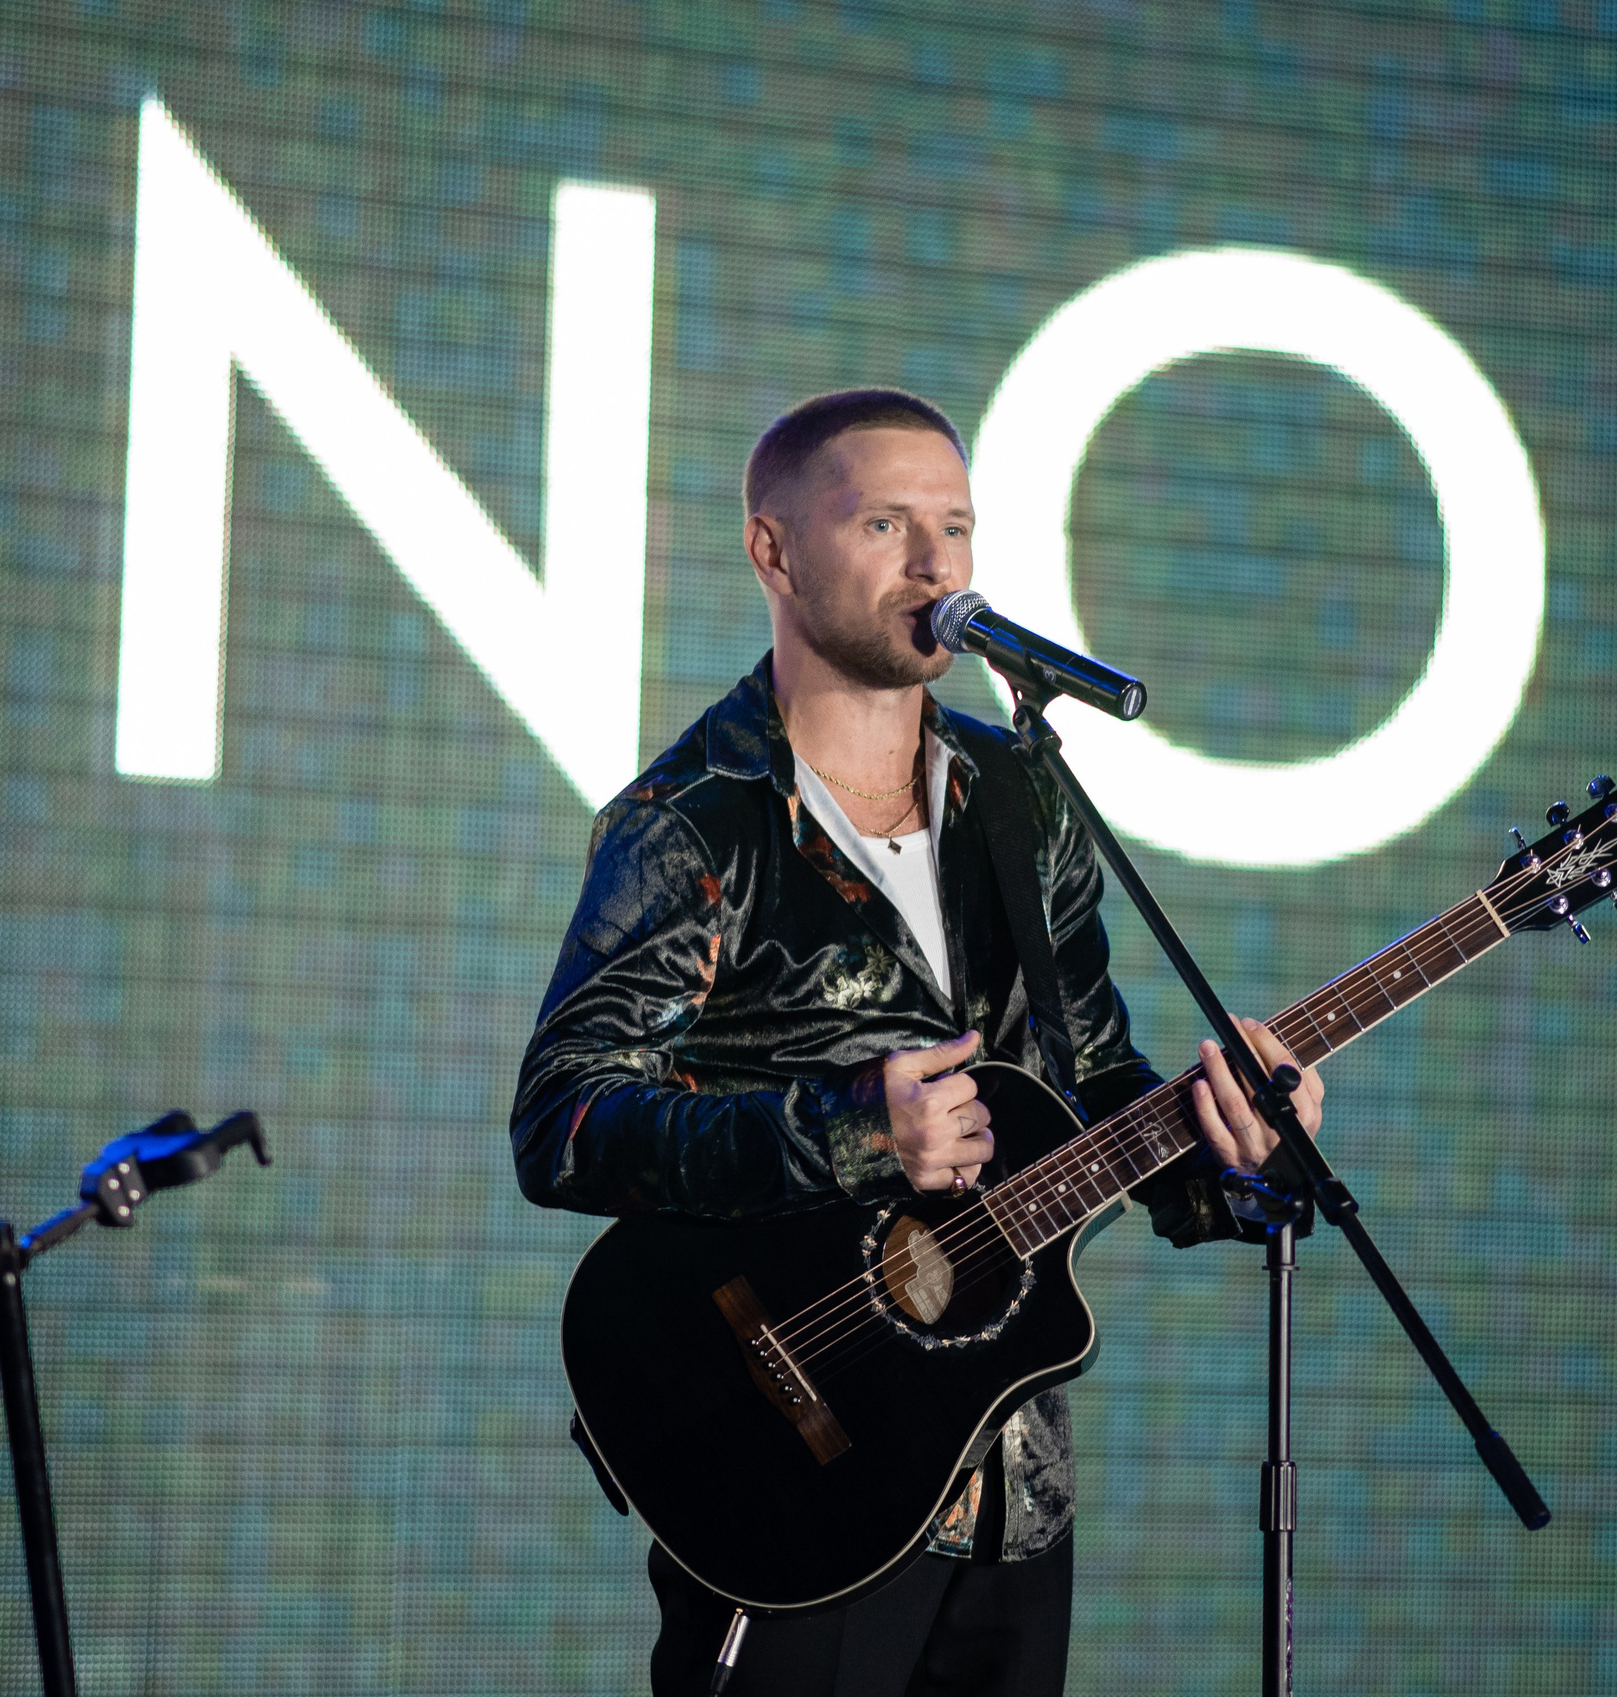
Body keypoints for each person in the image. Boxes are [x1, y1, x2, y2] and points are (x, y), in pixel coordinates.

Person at [511, 388, 1325, 1696]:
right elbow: (564, 1122)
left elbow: (1090, 1084)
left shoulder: (1023, 798)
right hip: (800, 1484)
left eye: (956, 525)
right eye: (885, 523)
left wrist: (1227, 1140)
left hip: (1012, 1488)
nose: (937, 564)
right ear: (774, 551)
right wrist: (851, 1132)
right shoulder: (696, 821)